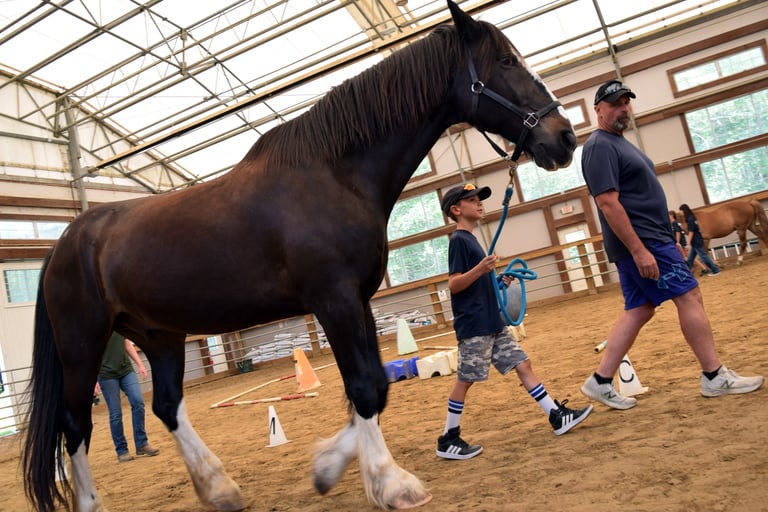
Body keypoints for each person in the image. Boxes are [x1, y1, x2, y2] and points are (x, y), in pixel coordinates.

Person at [579, 79, 763, 410]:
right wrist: (640, 249)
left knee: (640, 308)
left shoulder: (619, 143)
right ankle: (714, 376)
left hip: (654, 239)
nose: (623, 109)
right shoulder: (599, 146)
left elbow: (644, 196)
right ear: (598, 110)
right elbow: (607, 203)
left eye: (626, 102)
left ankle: (601, 380)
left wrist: (671, 239)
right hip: (643, 241)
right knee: (689, 295)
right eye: (615, 104)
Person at [435, 183, 592, 460]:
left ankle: (556, 416)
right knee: (466, 379)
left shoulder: (471, 239)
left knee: (523, 364)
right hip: (475, 324)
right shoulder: (459, 240)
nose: (479, 203)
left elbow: (475, 282)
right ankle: (448, 438)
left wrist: (497, 280)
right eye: (472, 200)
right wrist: (480, 269)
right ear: (456, 210)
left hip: (492, 321)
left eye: (479, 199)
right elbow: (454, 284)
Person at [95, 332, 160, 462]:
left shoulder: (118, 324)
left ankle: (141, 444)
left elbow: (127, 344)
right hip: (106, 375)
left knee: (138, 402)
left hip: (126, 370)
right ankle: (122, 451)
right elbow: (90, 355)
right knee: (116, 413)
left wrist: (140, 364)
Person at [679, 204, 721, 276]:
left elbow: (691, 232)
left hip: (696, 241)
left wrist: (688, 244)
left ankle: (716, 270)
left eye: (681, 211)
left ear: (684, 211)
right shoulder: (692, 218)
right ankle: (686, 274)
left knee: (704, 257)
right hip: (696, 241)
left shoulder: (690, 220)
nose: (680, 212)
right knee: (690, 259)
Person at [669, 210, 708, 276]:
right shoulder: (674, 223)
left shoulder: (674, 223)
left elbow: (678, 233)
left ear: (672, 215)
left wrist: (677, 242)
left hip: (681, 243)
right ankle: (700, 268)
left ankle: (703, 268)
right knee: (688, 257)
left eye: (669, 215)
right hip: (681, 243)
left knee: (687, 257)